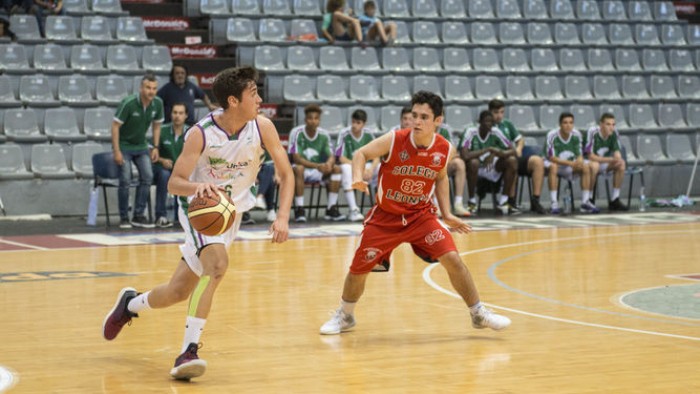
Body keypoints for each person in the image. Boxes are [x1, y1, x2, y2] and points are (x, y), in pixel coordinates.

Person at [102, 66, 294, 381]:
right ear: (234, 101)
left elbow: (286, 175)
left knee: (178, 291)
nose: (259, 99)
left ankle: (130, 305)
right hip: (198, 208)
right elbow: (174, 183)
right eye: (253, 94)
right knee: (217, 266)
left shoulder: (263, 127)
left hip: (231, 212)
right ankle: (188, 351)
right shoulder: (201, 133)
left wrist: (283, 216)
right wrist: (198, 188)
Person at [319, 91, 511, 335]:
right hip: (385, 217)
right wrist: (357, 177)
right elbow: (361, 154)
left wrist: (447, 213)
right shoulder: (395, 139)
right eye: (414, 115)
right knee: (359, 269)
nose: (416, 121)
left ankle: (478, 313)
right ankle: (345, 315)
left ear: (438, 121)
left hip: (420, 216)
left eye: (424, 117)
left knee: (452, 258)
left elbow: (440, 176)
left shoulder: (444, 148)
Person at [112, 74, 163, 229]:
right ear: (141, 88)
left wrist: (155, 147)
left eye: (154, 88)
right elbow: (115, 126)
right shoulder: (128, 103)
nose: (151, 91)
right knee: (125, 180)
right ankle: (124, 217)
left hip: (141, 146)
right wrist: (116, 151)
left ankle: (138, 215)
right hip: (124, 146)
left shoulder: (158, 103)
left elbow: (156, 126)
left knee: (147, 176)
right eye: (148, 88)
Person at [288, 104, 345, 223]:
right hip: (301, 169)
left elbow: (331, 155)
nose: (313, 121)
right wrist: (317, 166)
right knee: (298, 168)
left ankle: (331, 208)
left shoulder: (324, 134)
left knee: (337, 169)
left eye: (316, 118)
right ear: (305, 120)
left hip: (318, 169)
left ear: (319, 120)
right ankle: (299, 209)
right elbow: (296, 158)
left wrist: (329, 164)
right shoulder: (296, 132)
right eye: (310, 118)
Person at [489, 99, 546, 214]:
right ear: (490, 112)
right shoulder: (486, 126)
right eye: (496, 112)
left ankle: (535, 200)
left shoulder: (507, 124)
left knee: (537, 161)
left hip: (512, 154)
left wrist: (519, 148)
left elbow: (520, 139)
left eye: (501, 112)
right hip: (498, 160)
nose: (499, 116)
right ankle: (511, 201)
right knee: (512, 162)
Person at [461, 111, 521, 215]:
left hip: (491, 167)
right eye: (486, 121)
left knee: (512, 161)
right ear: (479, 122)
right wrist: (487, 150)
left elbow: (513, 150)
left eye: (491, 122)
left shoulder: (496, 131)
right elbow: (464, 155)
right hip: (476, 169)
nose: (489, 124)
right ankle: (471, 201)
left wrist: (496, 152)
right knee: (473, 162)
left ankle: (503, 201)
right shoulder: (470, 132)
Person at [544, 112, 600, 214]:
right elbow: (552, 157)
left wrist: (579, 161)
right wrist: (570, 163)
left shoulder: (576, 134)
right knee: (553, 167)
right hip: (554, 163)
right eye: (565, 123)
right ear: (560, 124)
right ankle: (554, 203)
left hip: (570, 165)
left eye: (571, 122)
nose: (568, 125)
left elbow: (579, 154)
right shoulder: (552, 135)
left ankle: (585, 202)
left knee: (586, 167)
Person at [335, 109, 378, 222]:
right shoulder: (344, 133)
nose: (354, 125)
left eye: (358, 123)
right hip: (351, 164)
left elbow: (377, 156)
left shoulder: (368, 134)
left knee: (381, 167)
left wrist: (371, 169)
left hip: (366, 166)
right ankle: (353, 210)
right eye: (353, 122)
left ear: (364, 124)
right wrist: (359, 168)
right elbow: (341, 158)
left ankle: (381, 208)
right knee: (345, 168)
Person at [151, 102, 189, 228]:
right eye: (175, 113)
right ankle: (160, 216)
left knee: (185, 176)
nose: (177, 116)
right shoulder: (161, 130)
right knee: (164, 175)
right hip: (162, 168)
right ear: (171, 114)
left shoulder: (191, 132)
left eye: (180, 113)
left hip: (182, 170)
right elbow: (151, 152)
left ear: (186, 116)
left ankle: (181, 217)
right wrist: (162, 160)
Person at [584, 113, 629, 211]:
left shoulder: (614, 133)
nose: (611, 127)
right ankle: (589, 199)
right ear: (601, 125)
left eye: (613, 124)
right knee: (595, 165)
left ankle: (614, 200)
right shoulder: (592, 132)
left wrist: (617, 157)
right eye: (608, 124)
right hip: (588, 163)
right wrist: (610, 159)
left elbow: (617, 151)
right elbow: (590, 156)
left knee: (621, 164)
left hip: (603, 163)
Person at [253, 149, 279, 223]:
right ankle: (270, 209)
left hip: (268, 170)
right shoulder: (253, 142)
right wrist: (254, 176)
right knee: (269, 175)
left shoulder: (270, 143)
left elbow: (276, 161)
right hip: (254, 171)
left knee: (269, 170)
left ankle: (259, 197)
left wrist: (277, 175)